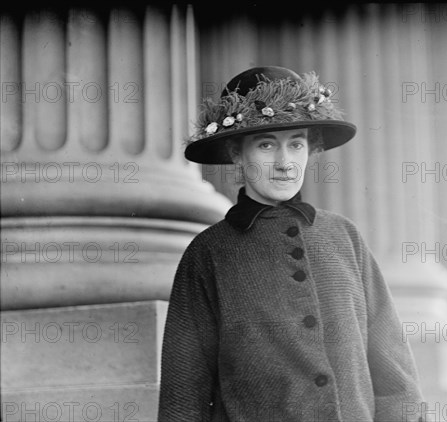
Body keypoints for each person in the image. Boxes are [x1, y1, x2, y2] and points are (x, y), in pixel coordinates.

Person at [158, 66, 427, 422]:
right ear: (237, 154)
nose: (285, 164)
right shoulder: (208, 253)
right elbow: (184, 392)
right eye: (266, 144)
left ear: (310, 150)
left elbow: (394, 368)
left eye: (296, 143)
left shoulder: (343, 236)